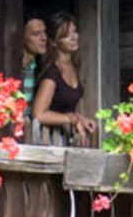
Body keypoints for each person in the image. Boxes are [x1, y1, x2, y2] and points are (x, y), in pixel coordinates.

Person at [29, 12, 99, 146]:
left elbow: (62, 107)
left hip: (65, 138)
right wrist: (72, 119)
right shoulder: (52, 74)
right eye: (66, 35)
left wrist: (80, 118)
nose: (74, 37)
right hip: (47, 140)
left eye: (74, 32)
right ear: (54, 42)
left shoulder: (73, 66)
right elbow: (39, 114)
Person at [18, 15, 47, 108]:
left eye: (44, 32)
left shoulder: (41, 67)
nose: (44, 38)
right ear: (22, 37)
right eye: (36, 34)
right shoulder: (13, 67)